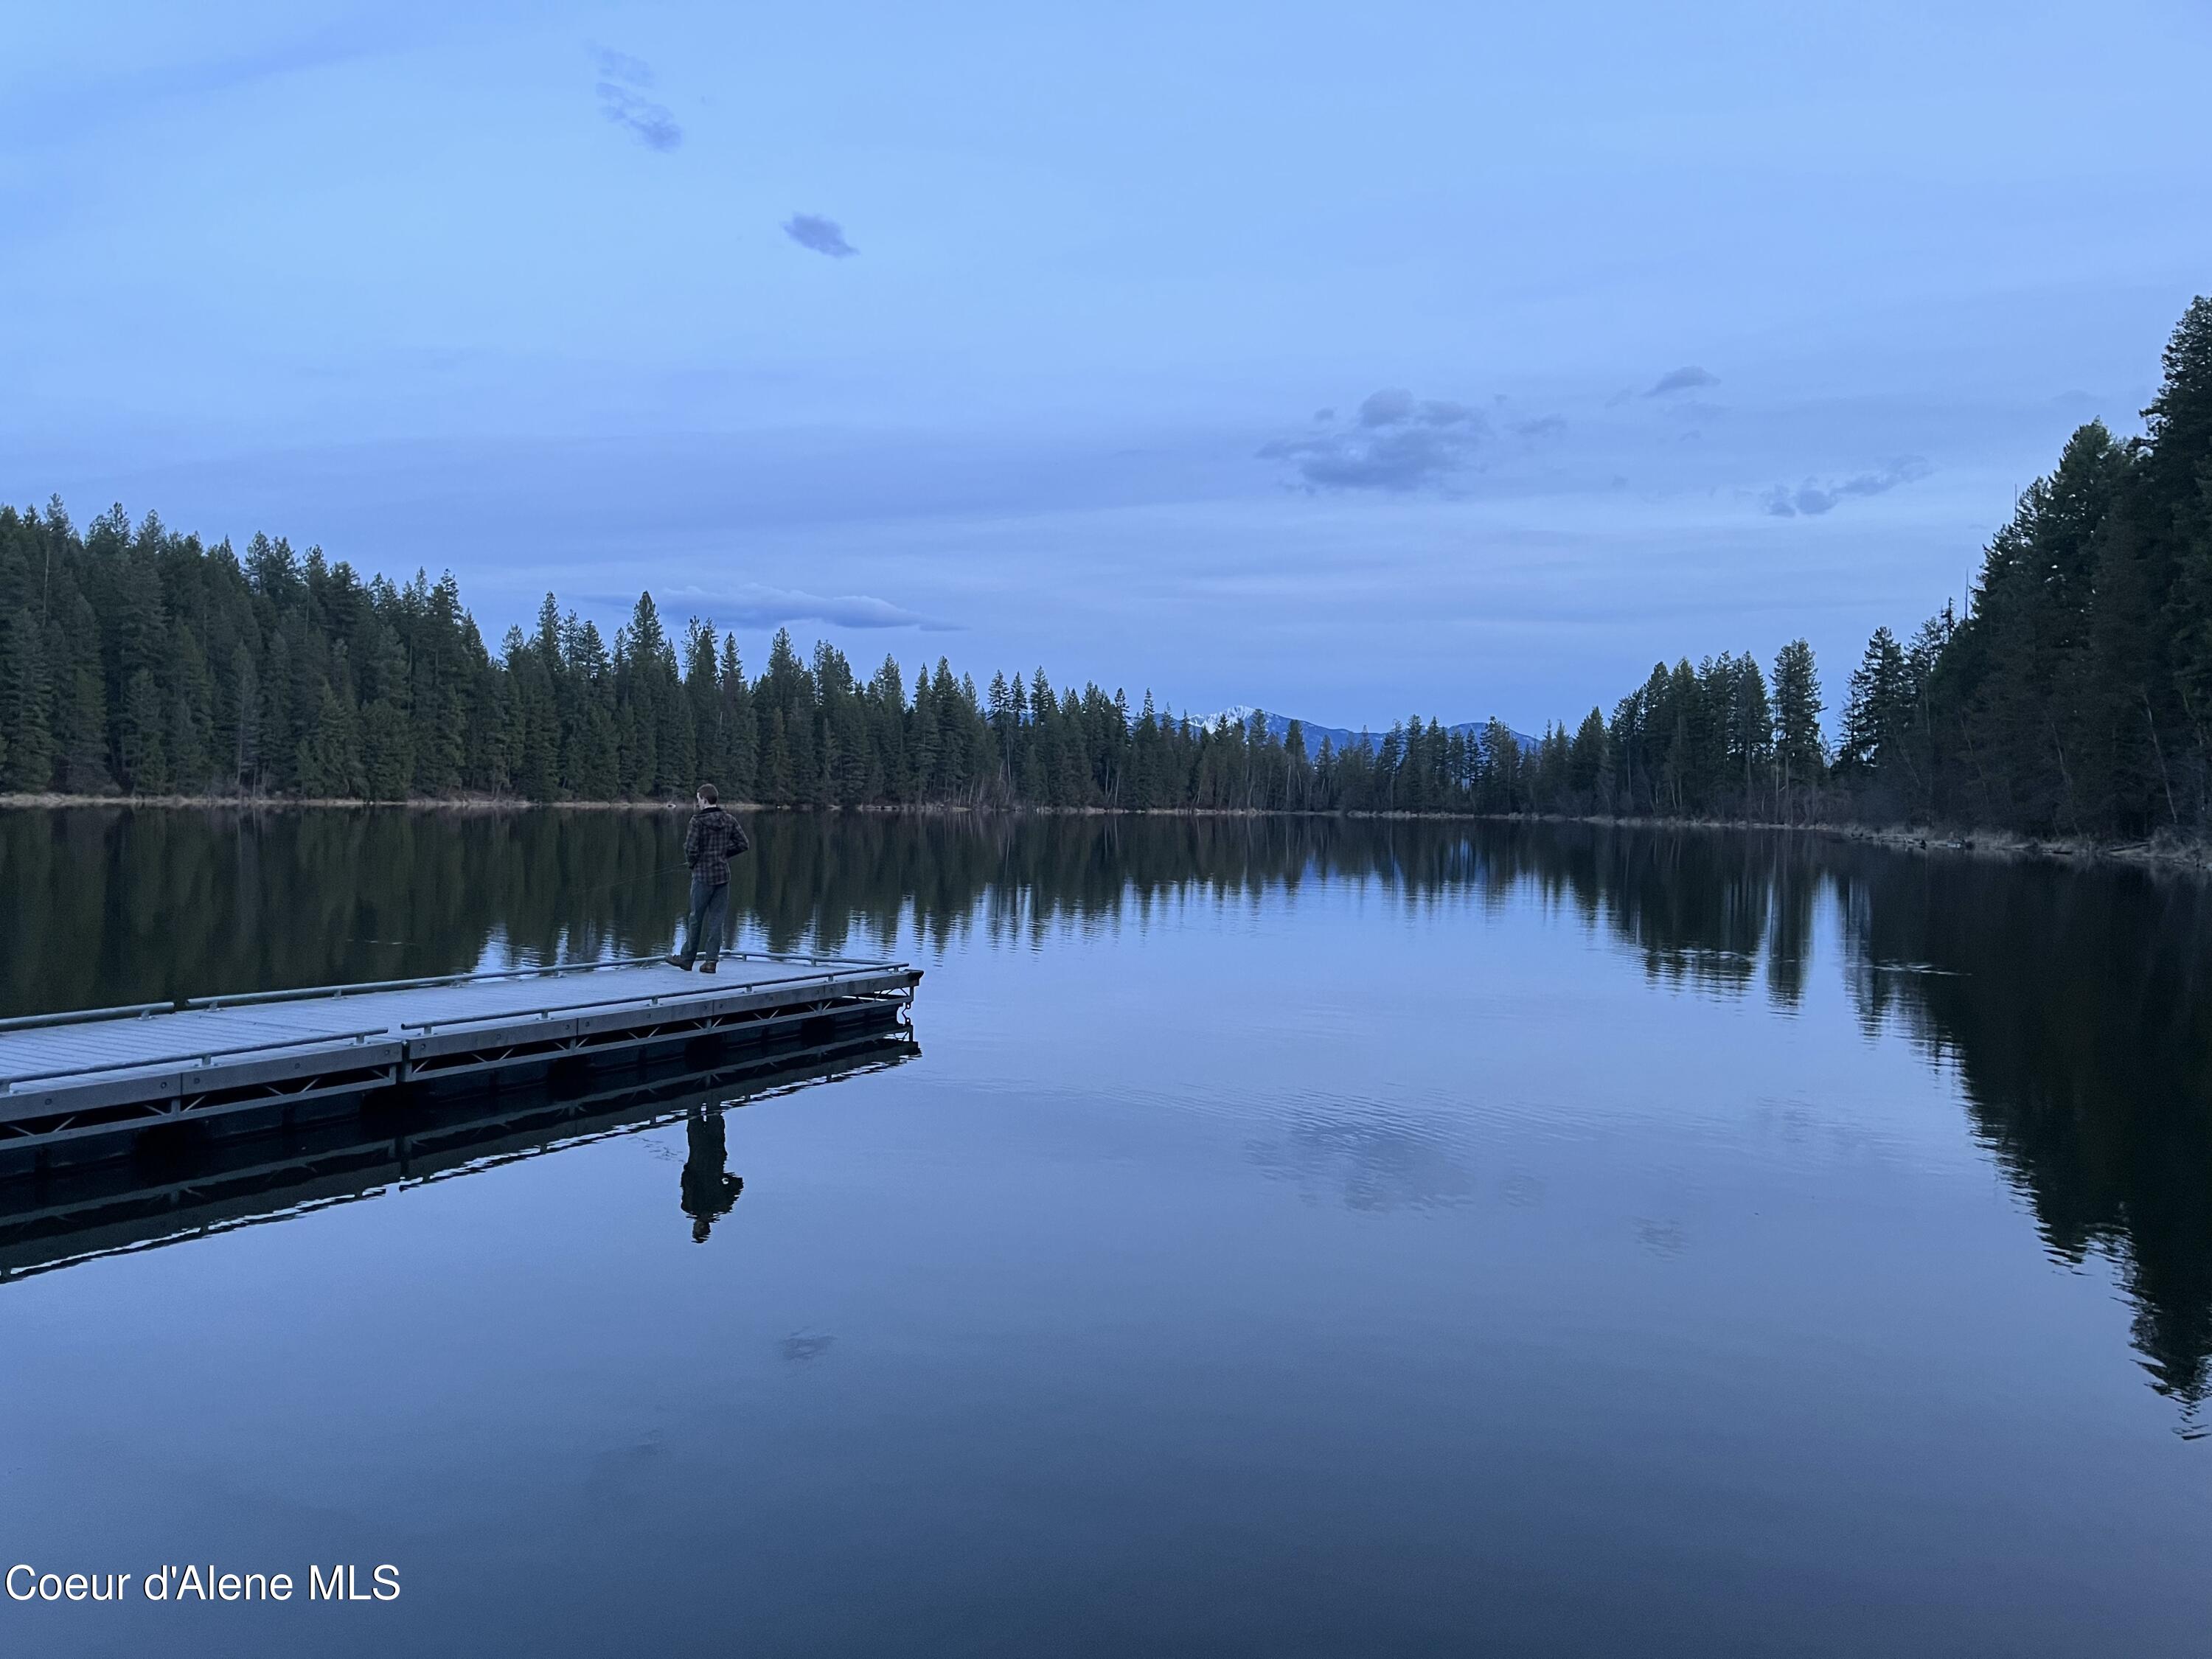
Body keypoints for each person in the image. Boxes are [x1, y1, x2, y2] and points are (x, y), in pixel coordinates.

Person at [669, 783, 748, 973]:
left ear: (704, 800)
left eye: (698, 799)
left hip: (703, 876)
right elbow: (743, 844)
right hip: (722, 876)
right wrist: (722, 855)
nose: (698, 803)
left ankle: (687, 959)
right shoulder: (729, 819)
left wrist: (693, 864)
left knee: (696, 918)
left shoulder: (697, 821)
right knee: (717, 920)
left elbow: (690, 849)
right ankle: (711, 961)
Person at [679, 1106, 744, 1243]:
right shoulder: (692, 1206)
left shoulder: (720, 1206)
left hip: (713, 1157)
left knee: (708, 1114)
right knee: (696, 1115)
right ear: (700, 1227)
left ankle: (704, 1092)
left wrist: (722, 1177)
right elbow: (686, 1179)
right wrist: (722, 1177)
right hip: (704, 1157)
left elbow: (737, 1184)